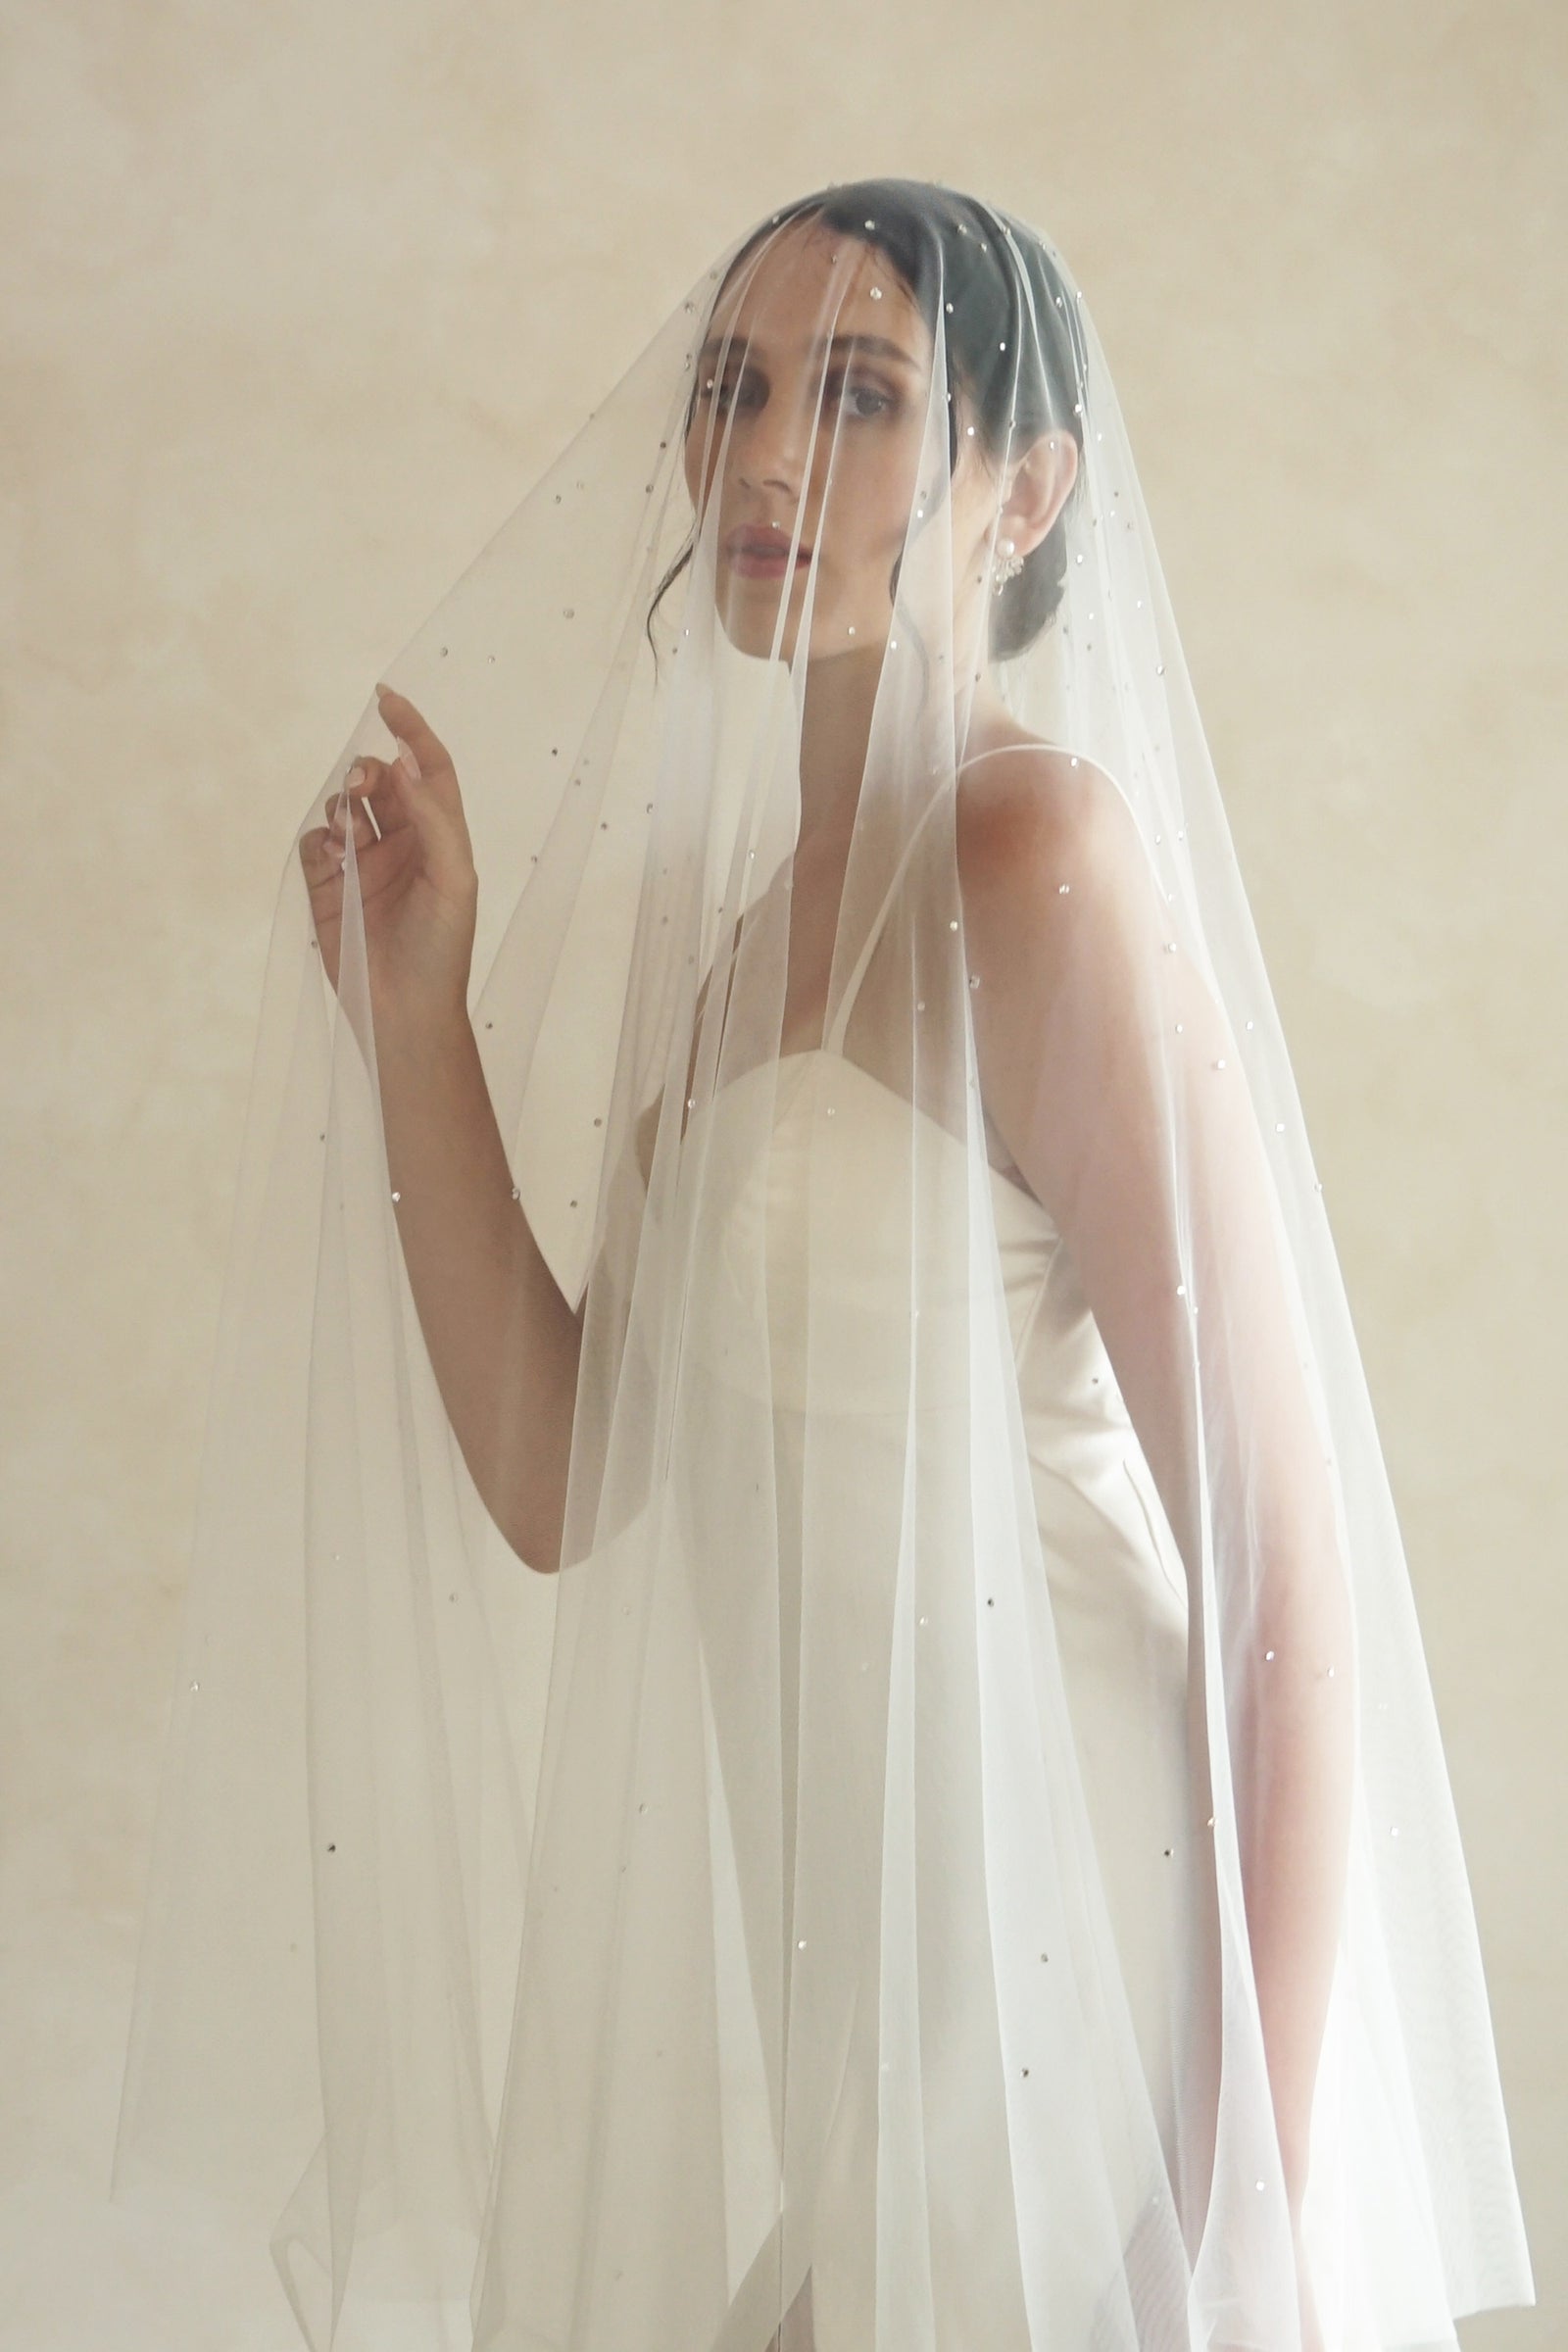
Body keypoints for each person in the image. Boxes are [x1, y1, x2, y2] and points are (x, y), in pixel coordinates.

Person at [113, 181, 1533, 2352]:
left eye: (859, 398)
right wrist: (419, 1023)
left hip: (1088, 1941)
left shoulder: (1030, 860)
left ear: (1022, 487)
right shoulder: (742, 939)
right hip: (870, 2012)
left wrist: (1238, 2196)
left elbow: (1281, 1584)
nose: (765, 454)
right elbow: (565, 1479)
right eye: (732, 388)